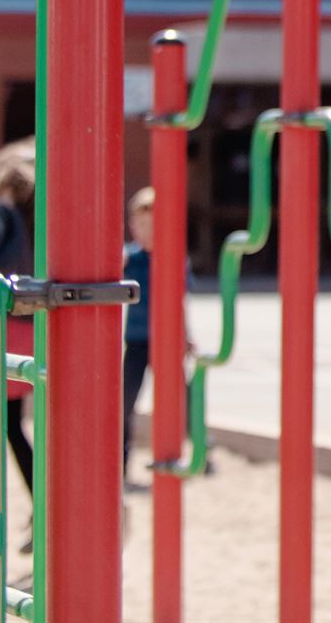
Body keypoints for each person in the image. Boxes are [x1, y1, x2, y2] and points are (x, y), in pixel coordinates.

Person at [0, 139, 38, 507]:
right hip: (27, 325)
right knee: (13, 424)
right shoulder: (36, 217)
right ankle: (40, 499)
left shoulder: (0, 212)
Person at [120, 186, 189, 488]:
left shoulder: (172, 257)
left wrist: (185, 335)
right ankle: (120, 464)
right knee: (125, 401)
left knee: (178, 396)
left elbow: (179, 299)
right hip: (136, 338)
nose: (145, 231)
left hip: (166, 338)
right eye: (140, 224)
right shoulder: (128, 259)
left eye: (152, 225)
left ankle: (187, 450)